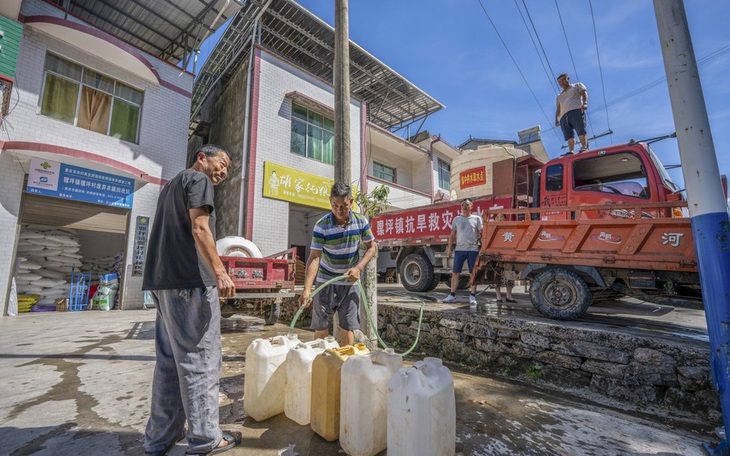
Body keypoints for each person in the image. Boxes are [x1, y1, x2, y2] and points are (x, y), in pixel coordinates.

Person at [142, 144, 241, 456]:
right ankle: (205, 438)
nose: (223, 172)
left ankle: (160, 437)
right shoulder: (198, 181)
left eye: (228, 169)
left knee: (170, 362)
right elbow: (200, 228)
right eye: (221, 163)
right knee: (201, 361)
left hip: (163, 283)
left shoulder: (173, 185)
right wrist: (221, 272)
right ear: (202, 157)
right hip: (189, 282)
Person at [300, 181, 378, 346]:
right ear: (330, 201)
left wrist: (358, 268)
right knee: (321, 326)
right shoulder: (322, 226)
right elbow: (314, 257)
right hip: (325, 282)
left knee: (347, 327)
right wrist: (307, 289)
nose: (339, 210)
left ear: (351, 201)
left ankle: (346, 364)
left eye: (343, 205)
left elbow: (372, 248)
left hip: (349, 282)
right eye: (335, 205)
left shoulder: (361, 222)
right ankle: (319, 362)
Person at [444, 198, 483, 306]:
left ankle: (472, 296)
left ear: (472, 206)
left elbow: (482, 234)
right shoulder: (456, 219)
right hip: (459, 249)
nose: (464, 207)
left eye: (467, 204)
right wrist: (449, 249)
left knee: (473, 273)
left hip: (473, 249)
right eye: (462, 205)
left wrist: (482, 249)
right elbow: (452, 235)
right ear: (460, 207)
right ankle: (452, 295)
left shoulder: (477, 219)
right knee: (455, 273)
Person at [554, 73, 589, 154]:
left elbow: (584, 93)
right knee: (568, 135)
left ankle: (584, 147)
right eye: (559, 82)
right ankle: (571, 151)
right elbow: (558, 108)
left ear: (568, 79)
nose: (562, 83)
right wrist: (556, 119)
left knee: (580, 130)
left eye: (563, 80)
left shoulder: (576, 86)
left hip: (576, 111)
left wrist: (585, 103)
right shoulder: (559, 96)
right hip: (563, 116)